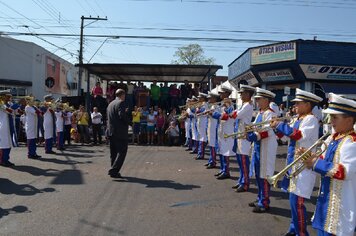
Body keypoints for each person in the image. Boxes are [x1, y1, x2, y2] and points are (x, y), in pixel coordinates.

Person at [302, 93, 356, 236]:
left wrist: (315, 163)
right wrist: (308, 155)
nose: (331, 121)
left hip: (340, 205)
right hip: (326, 199)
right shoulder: (334, 138)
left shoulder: (351, 142)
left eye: (334, 117)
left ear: (350, 120)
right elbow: (323, 157)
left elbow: (344, 172)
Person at [271, 88, 323, 236]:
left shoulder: (311, 119)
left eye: (298, 103)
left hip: (303, 166)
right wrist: (277, 129)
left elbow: (298, 136)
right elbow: (287, 138)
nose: (295, 106)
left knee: (298, 203)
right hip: (293, 164)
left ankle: (301, 233)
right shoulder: (299, 119)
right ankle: (294, 228)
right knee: (293, 200)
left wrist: (281, 126)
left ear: (307, 104)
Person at [246, 88, 278, 213]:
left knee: (264, 174)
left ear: (266, 100)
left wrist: (253, 136)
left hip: (266, 146)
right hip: (259, 146)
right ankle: (260, 197)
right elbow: (255, 127)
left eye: (259, 99)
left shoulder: (270, 113)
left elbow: (266, 131)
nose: (257, 101)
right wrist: (249, 132)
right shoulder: (260, 113)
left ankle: (264, 202)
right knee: (259, 173)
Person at [231, 85, 255, 192]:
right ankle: (241, 180)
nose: (240, 95)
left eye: (242, 93)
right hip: (240, 134)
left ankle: (245, 183)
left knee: (244, 161)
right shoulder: (244, 105)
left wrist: (232, 113)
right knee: (240, 160)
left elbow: (236, 115)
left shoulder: (247, 106)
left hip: (244, 135)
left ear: (248, 94)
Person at [212, 85, 235, 180]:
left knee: (226, 152)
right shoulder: (222, 104)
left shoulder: (230, 105)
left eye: (222, 93)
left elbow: (226, 117)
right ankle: (222, 169)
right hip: (221, 129)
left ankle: (226, 171)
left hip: (227, 130)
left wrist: (214, 114)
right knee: (221, 150)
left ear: (226, 93)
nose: (220, 95)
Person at [106, 89, 130, 178]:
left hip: (111, 131)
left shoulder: (110, 104)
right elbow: (121, 115)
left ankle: (113, 170)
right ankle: (114, 170)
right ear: (122, 95)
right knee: (122, 151)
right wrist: (129, 122)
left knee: (113, 152)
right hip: (120, 132)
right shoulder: (121, 103)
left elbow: (108, 118)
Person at [0, 89, 18, 167]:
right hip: (4, 126)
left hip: (9, 126)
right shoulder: (1, 104)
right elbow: (10, 111)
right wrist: (18, 104)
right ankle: (2, 160)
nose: (10, 97)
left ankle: (6, 159)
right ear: (3, 97)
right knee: (4, 144)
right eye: (8, 96)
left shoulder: (8, 104)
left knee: (9, 144)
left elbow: (15, 112)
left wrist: (16, 106)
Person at [205, 91, 220, 169]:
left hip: (214, 127)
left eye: (210, 98)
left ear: (214, 98)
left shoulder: (216, 107)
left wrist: (210, 113)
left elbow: (217, 116)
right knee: (211, 144)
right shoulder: (212, 106)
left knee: (213, 144)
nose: (209, 99)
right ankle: (211, 160)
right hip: (210, 126)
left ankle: (213, 161)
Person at [195, 92, 209, 159]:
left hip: (203, 121)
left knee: (203, 138)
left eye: (199, 97)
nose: (198, 98)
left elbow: (204, 113)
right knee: (200, 137)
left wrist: (199, 110)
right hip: (199, 121)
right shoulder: (200, 104)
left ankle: (201, 154)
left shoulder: (205, 104)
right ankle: (199, 153)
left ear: (203, 98)